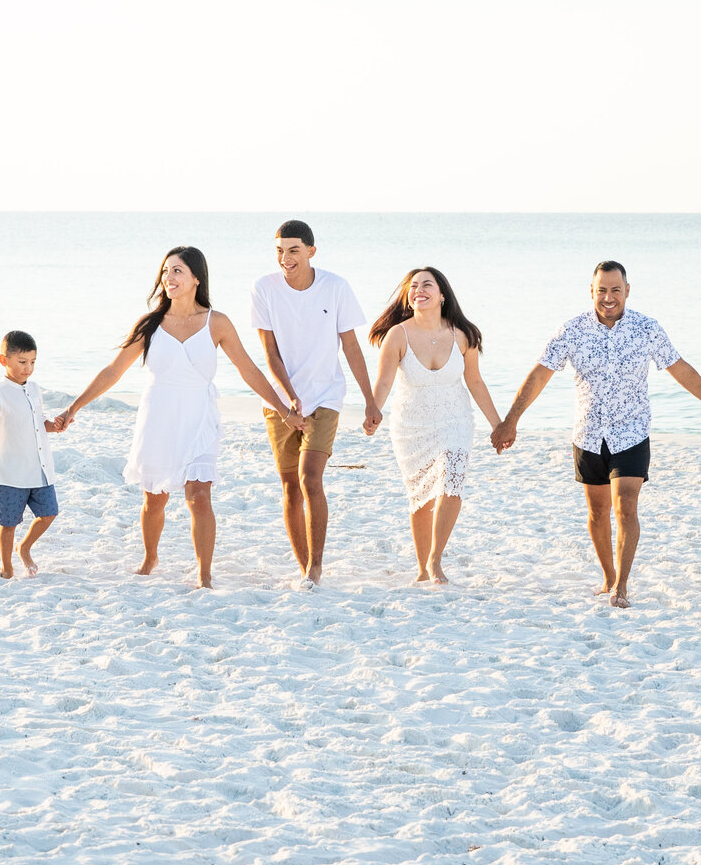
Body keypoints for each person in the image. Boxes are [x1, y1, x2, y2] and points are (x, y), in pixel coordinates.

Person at [57, 247, 305, 589]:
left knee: (199, 495)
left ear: (195, 279)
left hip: (199, 416)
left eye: (177, 271)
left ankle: (204, 573)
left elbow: (248, 370)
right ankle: (150, 558)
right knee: (154, 498)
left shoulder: (216, 323)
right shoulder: (151, 325)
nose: (168, 278)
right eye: (166, 271)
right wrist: (73, 408)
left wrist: (283, 410)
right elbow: (114, 371)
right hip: (158, 416)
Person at [491, 260, 701, 608]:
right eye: (602, 290)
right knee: (598, 513)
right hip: (587, 435)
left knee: (626, 507)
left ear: (627, 291)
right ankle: (608, 575)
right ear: (592, 291)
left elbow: (680, 369)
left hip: (631, 433)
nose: (609, 297)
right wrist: (510, 420)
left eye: (616, 289)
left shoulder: (647, 329)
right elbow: (540, 374)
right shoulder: (571, 330)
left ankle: (622, 586)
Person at [248, 220, 378, 582]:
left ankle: (317, 565)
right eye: (279, 250)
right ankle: (305, 567)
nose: (285, 258)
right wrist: (288, 398)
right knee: (289, 486)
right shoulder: (263, 288)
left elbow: (351, 347)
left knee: (310, 478)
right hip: (281, 400)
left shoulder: (335, 287)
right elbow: (270, 353)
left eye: (293, 250)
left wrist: (370, 402)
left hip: (325, 396)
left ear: (310, 251)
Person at [362, 266, 505, 584]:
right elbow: (384, 381)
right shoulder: (397, 335)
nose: (418, 290)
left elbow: (476, 382)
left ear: (442, 295)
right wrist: (373, 410)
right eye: (413, 287)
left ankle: (436, 560)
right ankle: (423, 569)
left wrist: (498, 425)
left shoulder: (462, 335)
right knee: (421, 495)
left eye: (427, 284)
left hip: (455, 420)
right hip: (411, 426)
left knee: (451, 482)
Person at [0, 330, 59, 579]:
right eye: (22, 362)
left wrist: (53, 425)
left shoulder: (34, 388)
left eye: (33, 362)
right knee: (9, 523)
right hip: (10, 471)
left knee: (49, 513)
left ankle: (24, 547)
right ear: (4, 360)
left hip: (40, 467)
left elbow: (37, 422)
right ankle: (6, 567)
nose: (28, 368)